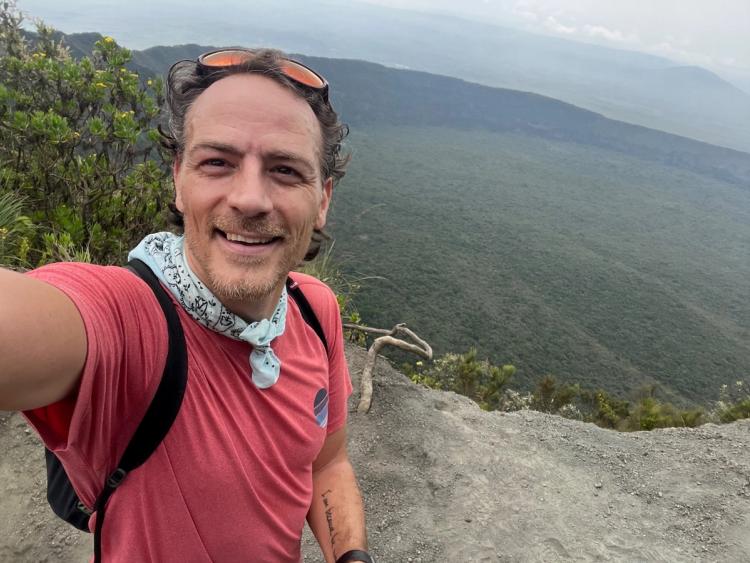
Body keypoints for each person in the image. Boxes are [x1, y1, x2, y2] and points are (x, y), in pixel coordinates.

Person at [0, 47, 372, 563]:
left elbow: (326, 464)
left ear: (323, 199)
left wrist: (351, 555)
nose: (250, 199)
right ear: (178, 179)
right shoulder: (130, 323)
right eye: (217, 162)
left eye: (286, 170)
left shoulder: (315, 311)